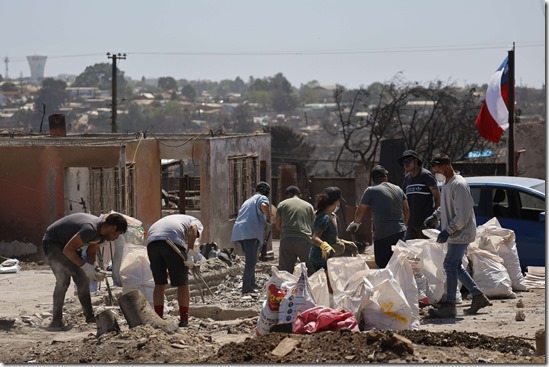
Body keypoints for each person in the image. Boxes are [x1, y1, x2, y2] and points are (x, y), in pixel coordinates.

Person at [425, 153, 492, 318]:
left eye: (438, 169)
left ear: (447, 167)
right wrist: (436, 216)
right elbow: (448, 206)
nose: (436, 173)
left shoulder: (459, 184)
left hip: (461, 232)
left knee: (449, 264)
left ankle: (449, 305)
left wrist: (447, 231)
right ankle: (478, 296)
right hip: (455, 231)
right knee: (455, 266)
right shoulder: (447, 184)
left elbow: (463, 215)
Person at [42, 212, 128, 330]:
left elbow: (91, 252)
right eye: (118, 234)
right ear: (113, 228)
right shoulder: (90, 229)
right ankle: (56, 321)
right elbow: (68, 251)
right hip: (53, 242)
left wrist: (94, 269)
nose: (116, 238)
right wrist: (86, 267)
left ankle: (89, 317)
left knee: (82, 279)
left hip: (68, 245)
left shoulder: (102, 236)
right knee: (63, 280)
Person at [346, 165, 409, 268]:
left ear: (373, 179)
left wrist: (356, 222)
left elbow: (361, 209)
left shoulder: (370, 191)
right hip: (400, 232)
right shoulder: (398, 189)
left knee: (382, 263)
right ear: (385, 176)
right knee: (399, 264)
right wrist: (404, 225)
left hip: (383, 234)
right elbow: (406, 209)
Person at [146, 214, 203, 327]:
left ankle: (159, 320)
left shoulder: (173, 219)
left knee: (159, 283)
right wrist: (190, 253)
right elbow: (192, 229)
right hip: (172, 242)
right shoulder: (196, 221)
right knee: (182, 283)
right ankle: (184, 319)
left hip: (152, 243)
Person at [231, 181, 272, 294]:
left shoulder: (249, 200)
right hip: (250, 233)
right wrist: (268, 218)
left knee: (251, 260)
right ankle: (246, 288)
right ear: (267, 192)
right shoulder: (262, 198)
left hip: (240, 232)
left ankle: (252, 283)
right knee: (250, 262)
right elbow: (263, 206)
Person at [397, 149, 441, 239]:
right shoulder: (407, 178)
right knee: (412, 251)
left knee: (425, 251)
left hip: (425, 223)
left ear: (415, 160)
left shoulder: (426, 175)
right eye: (403, 162)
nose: (405, 164)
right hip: (411, 223)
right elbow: (403, 199)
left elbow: (437, 195)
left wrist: (436, 215)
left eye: (408, 161)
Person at [309, 187, 352, 273]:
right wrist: (324, 245)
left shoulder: (332, 216)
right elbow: (314, 238)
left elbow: (330, 235)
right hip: (320, 259)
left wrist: (341, 241)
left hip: (329, 258)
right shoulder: (324, 217)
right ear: (336, 201)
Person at [275, 185, 315, 275]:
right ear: (299, 195)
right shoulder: (309, 206)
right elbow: (313, 225)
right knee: (311, 268)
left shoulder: (282, 204)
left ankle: (285, 288)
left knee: (285, 271)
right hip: (304, 240)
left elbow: (277, 224)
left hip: (287, 239)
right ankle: (315, 287)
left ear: (287, 195)